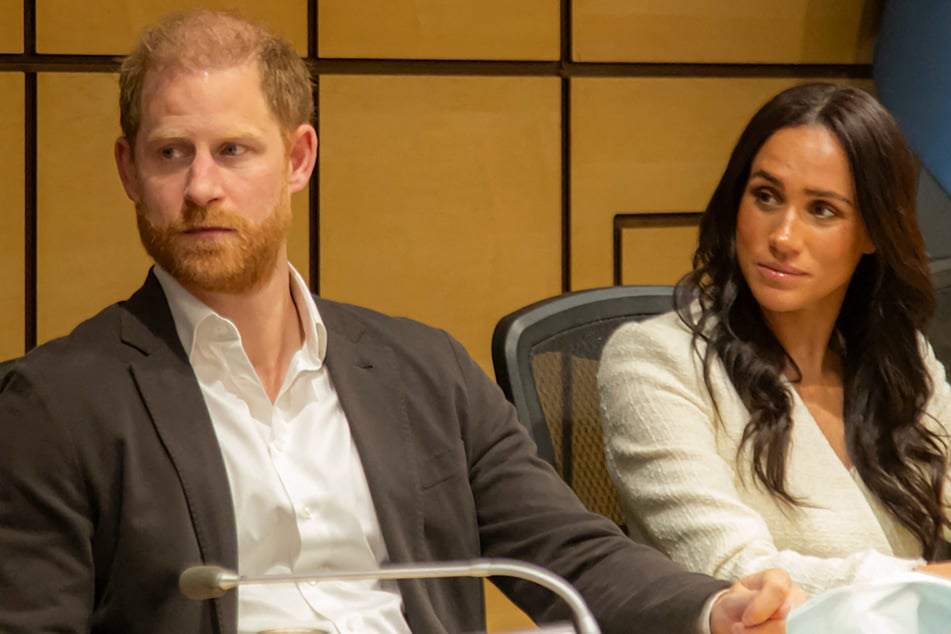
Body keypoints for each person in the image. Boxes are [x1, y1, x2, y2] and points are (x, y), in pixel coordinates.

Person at [0, 10, 802, 634]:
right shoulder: (55, 405)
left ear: (299, 159)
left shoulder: (425, 369)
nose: (202, 186)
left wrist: (712, 609)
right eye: (172, 153)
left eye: (235, 151)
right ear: (128, 171)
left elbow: (567, 552)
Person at [599, 82, 951, 596]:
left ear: (874, 232)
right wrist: (925, 582)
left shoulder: (897, 359)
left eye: (822, 210)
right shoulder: (652, 363)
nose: (783, 237)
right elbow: (739, 573)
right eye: (765, 196)